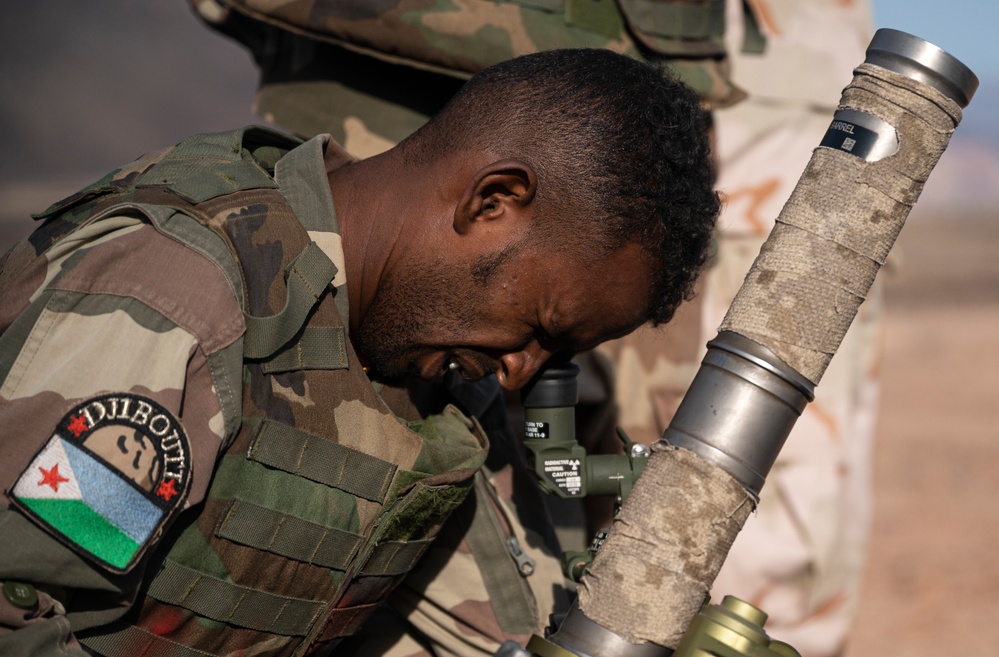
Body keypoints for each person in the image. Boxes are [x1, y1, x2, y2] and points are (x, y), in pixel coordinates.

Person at [0, 48, 719, 657]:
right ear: (492, 199)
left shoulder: (419, 355)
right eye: (538, 326)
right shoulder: (178, 301)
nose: (521, 370)